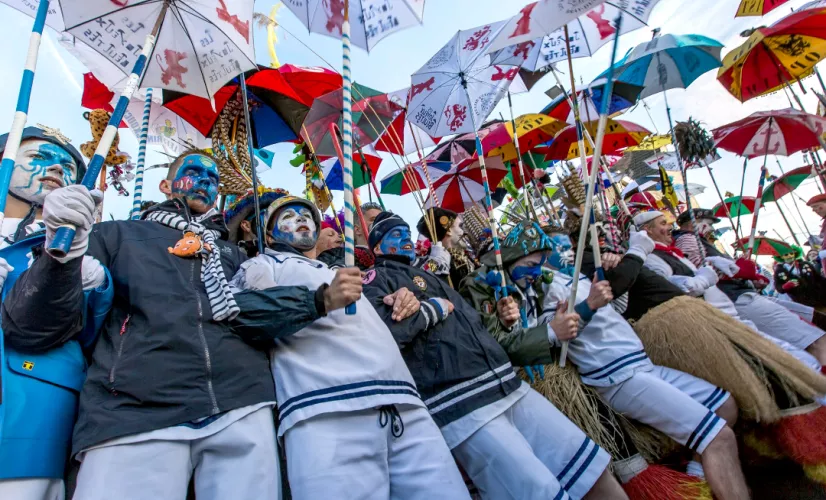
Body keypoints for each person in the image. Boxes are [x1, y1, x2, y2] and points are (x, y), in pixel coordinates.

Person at [3, 150, 283, 500]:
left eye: (212, 180)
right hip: (134, 409)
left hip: (242, 403)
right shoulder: (114, 234)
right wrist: (62, 256)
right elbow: (39, 324)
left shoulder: (234, 253)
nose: (204, 182)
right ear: (165, 185)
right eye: (194, 172)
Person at [462, 220, 751, 500]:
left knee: (726, 406)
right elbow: (558, 332)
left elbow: (614, 306)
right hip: (618, 375)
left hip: (641, 363)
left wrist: (608, 283)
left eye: (569, 248)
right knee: (719, 438)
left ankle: (697, 480)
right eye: (558, 250)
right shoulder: (542, 287)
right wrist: (589, 303)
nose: (567, 255)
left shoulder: (568, 276)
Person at [363, 212, 625, 500]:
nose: (405, 238)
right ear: (377, 246)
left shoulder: (428, 272)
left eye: (406, 231)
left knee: (591, 468)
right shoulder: (375, 280)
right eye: (395, 234)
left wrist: (502, 321)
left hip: (507, 382)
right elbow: (386, 332)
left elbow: (472, 327)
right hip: (464, 403)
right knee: (540, 491)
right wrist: (433, 308)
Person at [229, 196, 471, 499]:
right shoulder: (261, 265)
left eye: (306, 215)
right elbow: (242, 312)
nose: (301, 218)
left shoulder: (341, 269)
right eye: (288, 216)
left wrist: (404, 299)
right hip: (327, 414)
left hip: (405, 407)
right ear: (267, 235)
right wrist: (319, 301)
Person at [0, 126, 112, 500]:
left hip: (33, 417)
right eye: (40, 156)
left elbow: (92, 333)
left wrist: (84, 278)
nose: (56, 168)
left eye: (67, 166)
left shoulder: (83, 249)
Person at [638, 209, 825, 375]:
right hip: (733, 302)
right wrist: (732, 271)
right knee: (808, 343)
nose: (711, 228)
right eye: (663, 223)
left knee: (803, 338)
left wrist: (743, 274)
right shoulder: (683, 241)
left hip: (734, 303)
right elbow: (682, 281)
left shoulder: (678, 247)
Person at [414, 207, 475, 288]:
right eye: (460, 226)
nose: (464, 231)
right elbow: (427, 279)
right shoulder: (435, 260)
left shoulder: (465, 255)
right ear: (448, 231)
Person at [224, 187, 289, 258]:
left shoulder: (287, 257)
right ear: (246, 225)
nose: (275, 225)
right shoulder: (230, 258)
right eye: (267, 219)